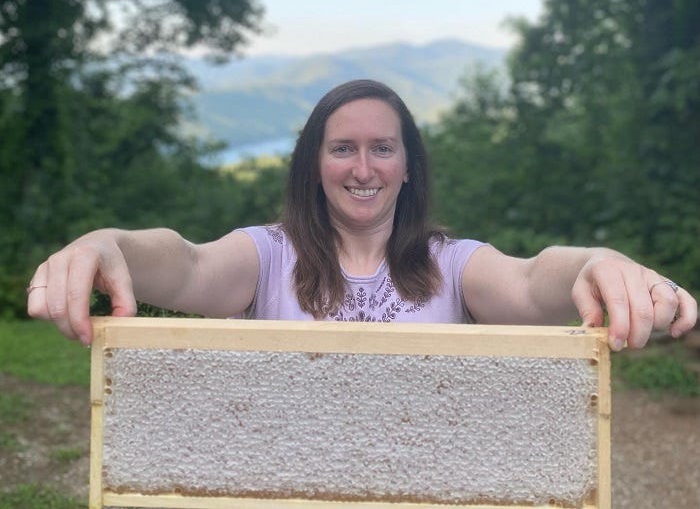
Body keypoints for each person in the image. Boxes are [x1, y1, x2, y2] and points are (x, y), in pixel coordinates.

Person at [27, 79, 697, 350]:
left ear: (408, 166)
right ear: (314, 165)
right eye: (342, 148)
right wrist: (108, 244)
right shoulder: (266, 257)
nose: (363, 167)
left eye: (383, 148)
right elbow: (187, 262)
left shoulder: (453, 267)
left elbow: (530, 281)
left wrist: (599, 264)